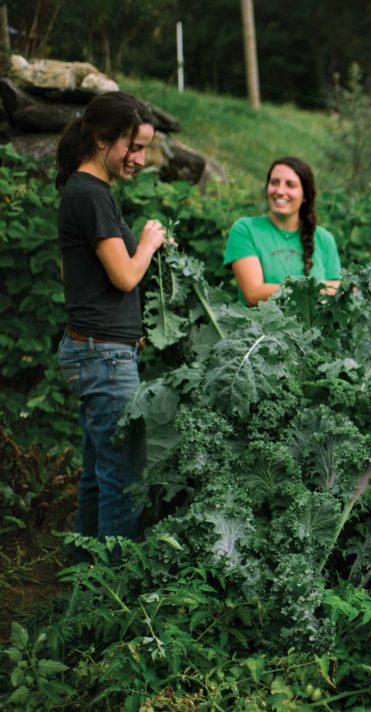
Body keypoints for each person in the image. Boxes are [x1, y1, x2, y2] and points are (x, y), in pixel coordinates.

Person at [55, 91, 172, 558]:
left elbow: (71, 272)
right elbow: (124, 275)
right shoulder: (91, 194)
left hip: (93, 350)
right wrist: (147, 242)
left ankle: (83, 575)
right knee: (124, 479)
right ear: (104, 139)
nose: (140, 159)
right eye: (134, 146)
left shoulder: (82, 192)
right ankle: (113, 597)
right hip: (104, 355)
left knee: (99, 473)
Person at [223, 157, 341, 306]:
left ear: (305, 195)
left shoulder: (324, 239)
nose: (279, 191)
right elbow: (253, 294)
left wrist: (278, 290)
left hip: (311, 330)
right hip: (259, 328)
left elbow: (337, 297)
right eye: (274, 183)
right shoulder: (245, 229)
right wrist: (315, 290)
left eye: (290, 185)